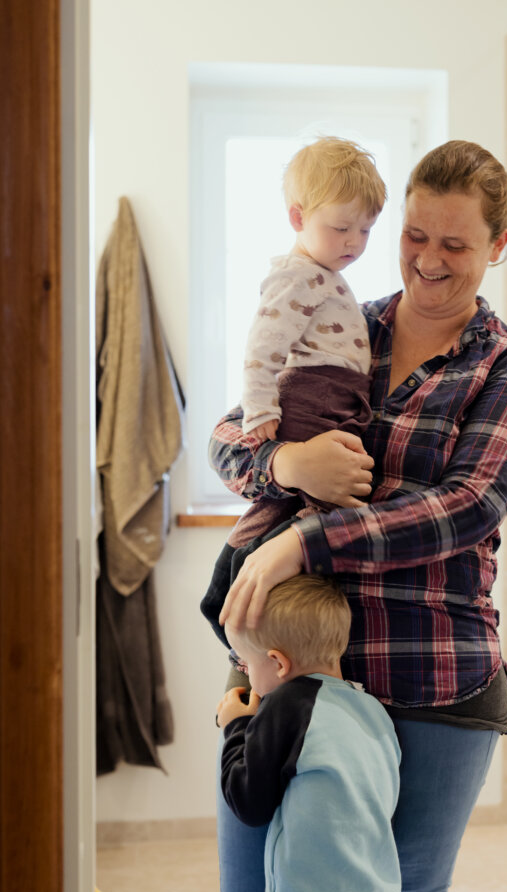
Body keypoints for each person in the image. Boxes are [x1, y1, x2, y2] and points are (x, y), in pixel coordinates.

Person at [207, 139, 507, 892]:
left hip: (432, 672)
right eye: (414, 235)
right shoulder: (337, 316)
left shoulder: (506, 365)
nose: (429, 259)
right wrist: (287, 463)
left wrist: (303, 543)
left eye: (458, 245)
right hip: (291, 667)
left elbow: (468, 506)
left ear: (498, 246)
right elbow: (225, 441)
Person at [200, 136, 386, 647]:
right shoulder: (299, 275)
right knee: (280, 517)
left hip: (334, 398)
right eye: (341, 227)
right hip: (314, 398)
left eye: (366, 230)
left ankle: (239, 601)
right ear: (298, 218)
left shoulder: (325, 276)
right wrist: (260, 407)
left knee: (289, 513)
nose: (354, 240)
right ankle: (231, 602)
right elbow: (263, 344)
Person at [215, 573, 405, 892]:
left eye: (245, 663)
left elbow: (248, 801)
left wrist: (235, 726)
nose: (247, 673)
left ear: (277, 664)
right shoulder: (372, 709)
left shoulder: (289, 705)